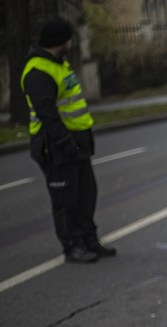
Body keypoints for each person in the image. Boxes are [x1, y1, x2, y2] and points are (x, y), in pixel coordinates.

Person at [20, 17, 115, 263]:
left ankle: (88, 239)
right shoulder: (38, 71)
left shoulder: (58, 64)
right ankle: (72, 246)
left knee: (85, 195)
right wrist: (68, 144)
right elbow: (48, 116)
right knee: (65, 200)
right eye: (68, 39)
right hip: (55, 147)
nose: (71, 43)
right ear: (60, 41)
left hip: (74, 145)